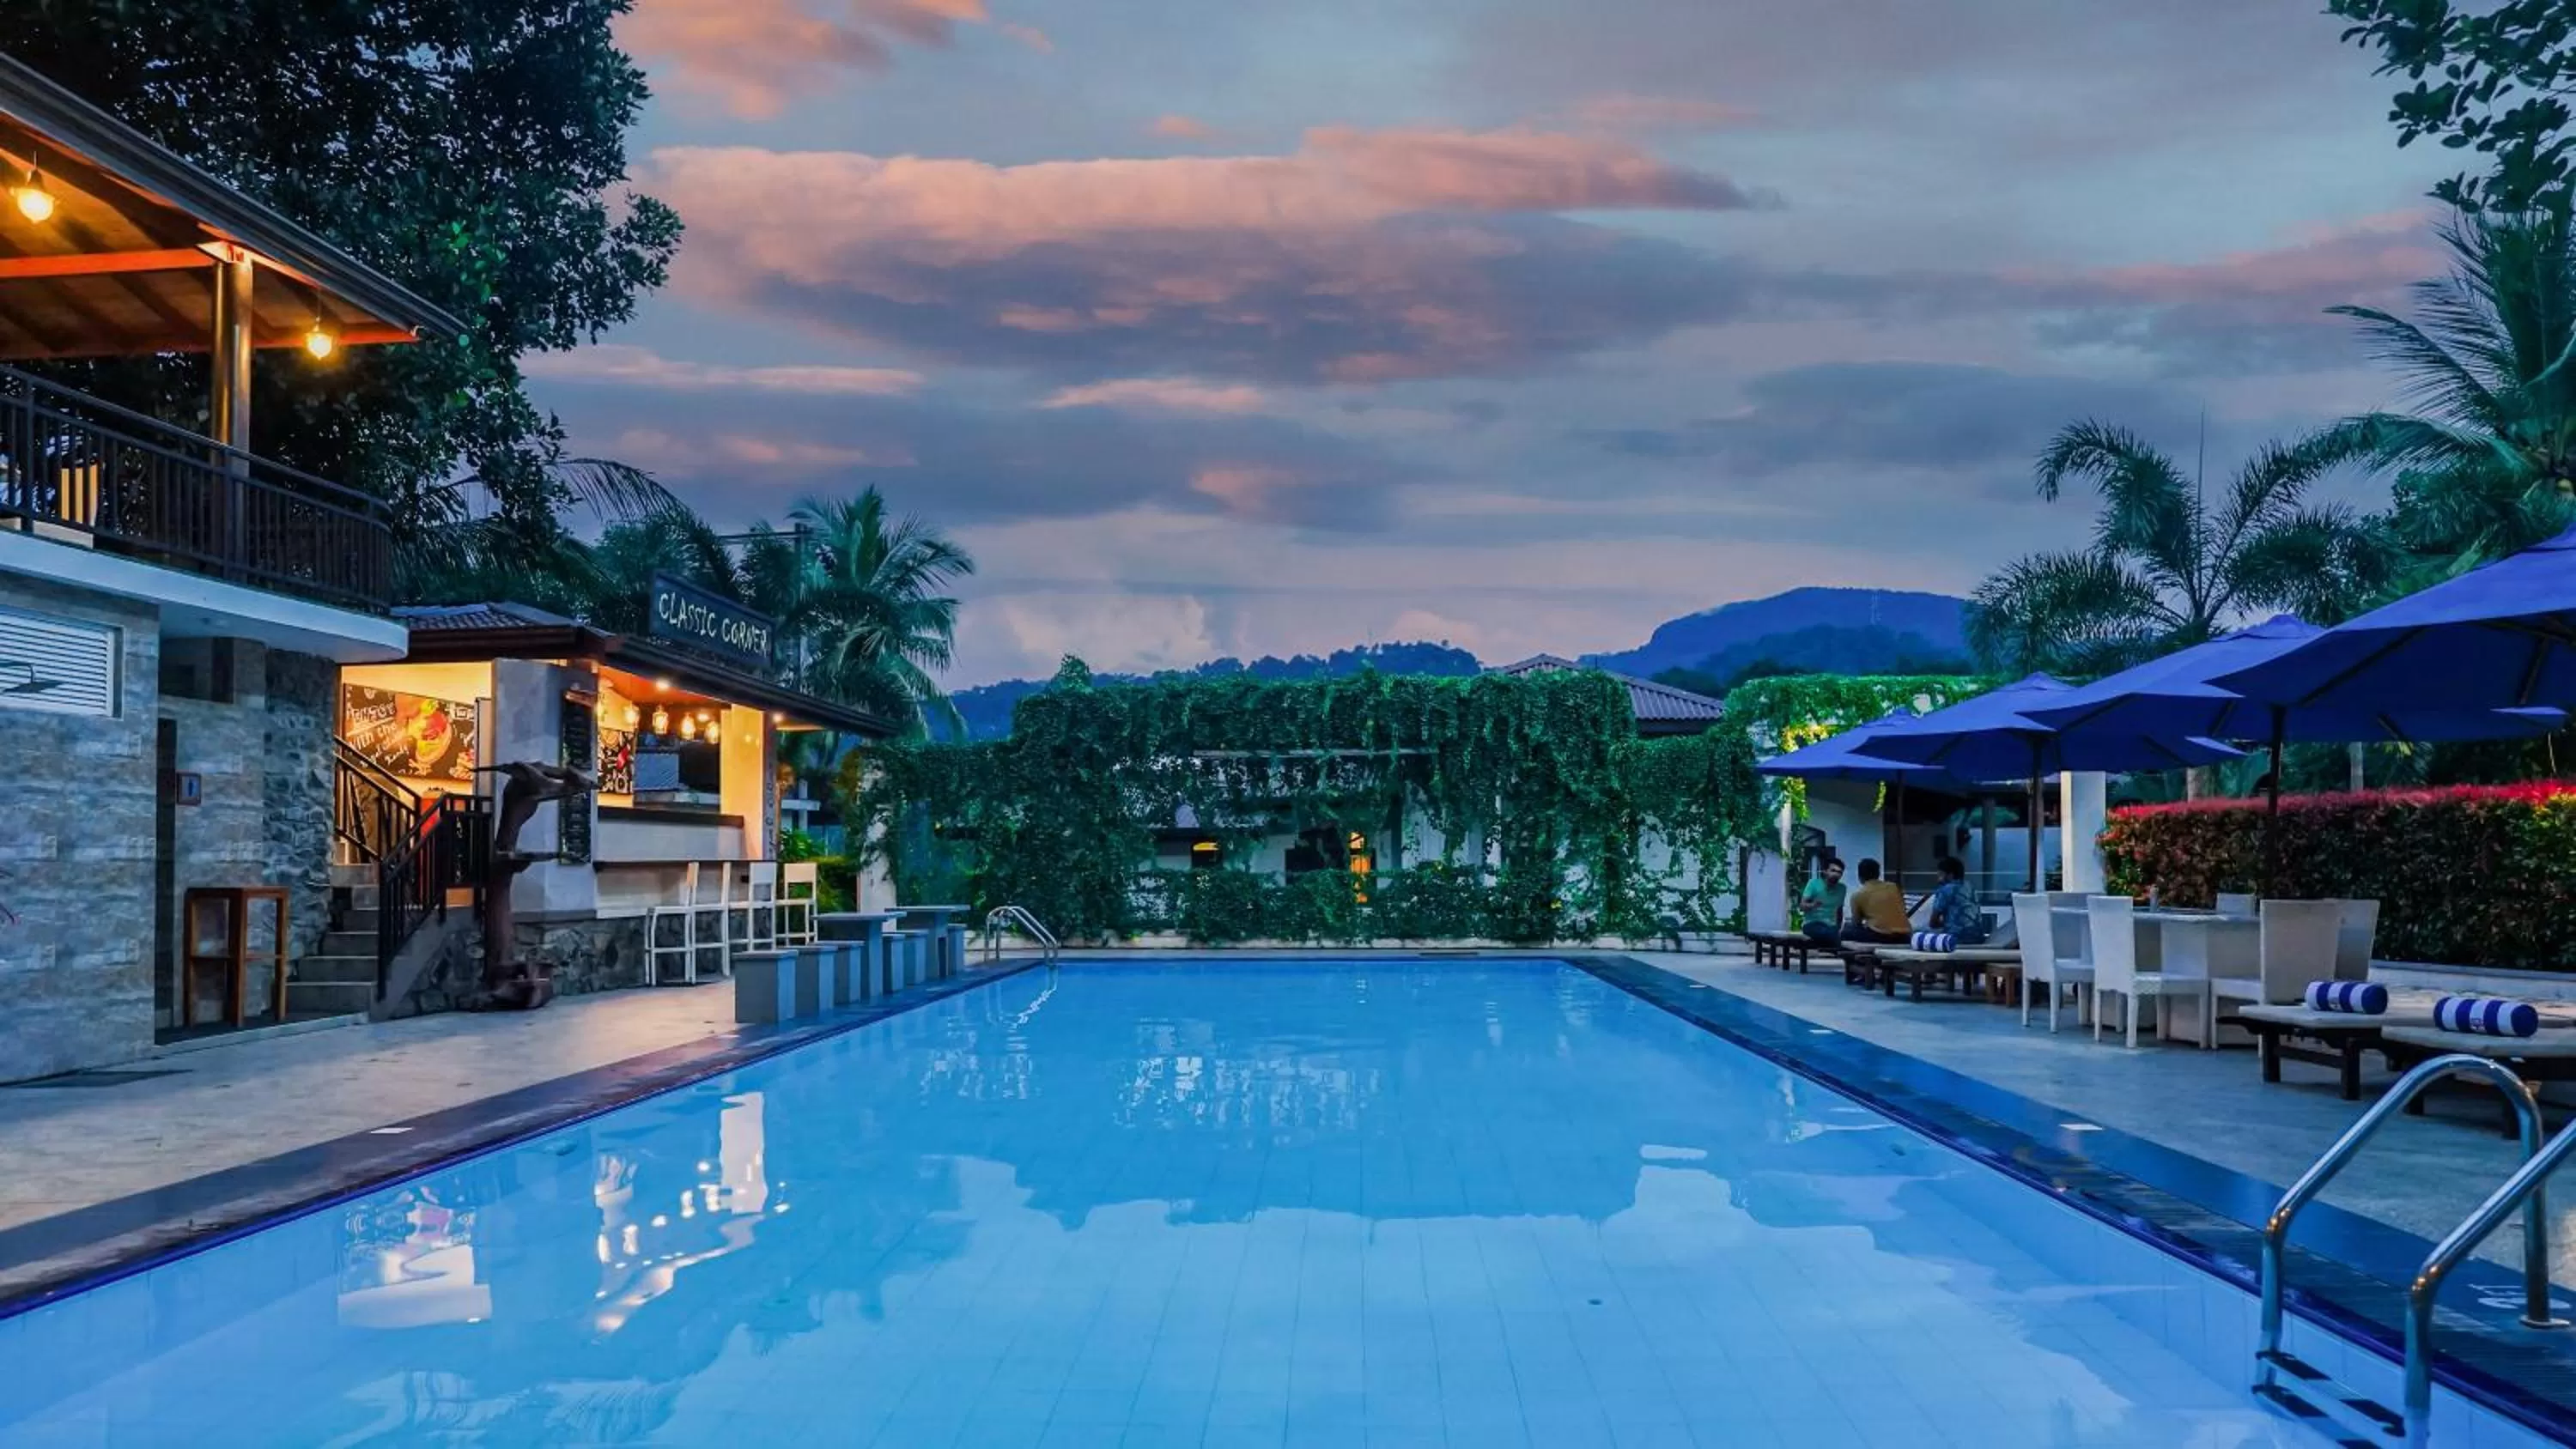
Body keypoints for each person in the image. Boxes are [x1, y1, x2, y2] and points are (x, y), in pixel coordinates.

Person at [1840, 858, 1912, 944]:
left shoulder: (1858, 895)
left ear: (1860, 877)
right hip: (1905, 936)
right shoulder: (1893, 887)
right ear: (1878, 874)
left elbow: (1856, 923)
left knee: (1845, 931)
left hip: (1881, 937)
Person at [1923, 856, 1990, 944]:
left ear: (1950, 875)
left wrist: (1947, 924)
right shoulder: (1970, 887)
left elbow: (1933, 923)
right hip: (1978, 937)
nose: (1938, 878)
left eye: (1940, 875)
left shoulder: (1945, 890)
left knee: (1918, 932)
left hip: (1956, 937)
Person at [1797, 858, 1848, 944]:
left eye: (1839, 872)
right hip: (1812, 924)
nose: (1836, 874)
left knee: (1844, 934)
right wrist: (1813, 905)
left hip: (1831, 926)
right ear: (1825, 871)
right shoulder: (1813, 884)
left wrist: (1839, 927)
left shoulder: (1842, 888)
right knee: (1828, 934)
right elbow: (1802, 906)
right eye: (1833, 871)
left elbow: (1839, 910)